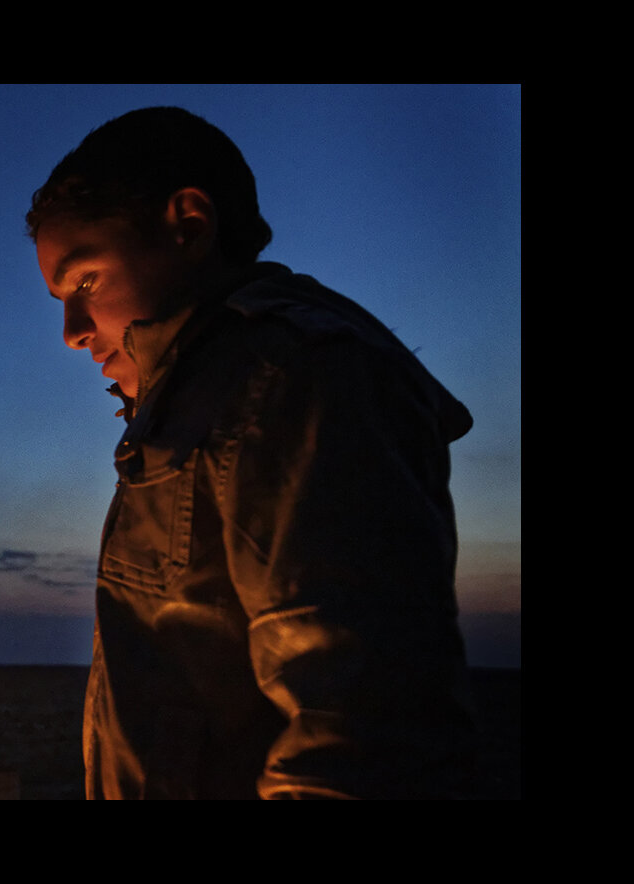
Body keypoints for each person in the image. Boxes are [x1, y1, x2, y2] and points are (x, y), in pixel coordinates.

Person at [26, 107, 478, 799]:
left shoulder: (292, 382)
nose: (71, 332)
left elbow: (358, 734)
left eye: (84, 281)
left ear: (190, 225)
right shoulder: (203, 399)